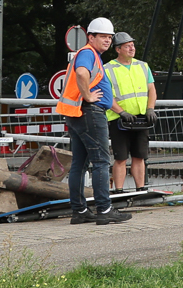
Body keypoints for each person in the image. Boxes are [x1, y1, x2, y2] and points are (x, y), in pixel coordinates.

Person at [54, 17, 132, 225]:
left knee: (79, 164)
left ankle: (79, 211)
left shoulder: (93, 56)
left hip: (78, 114)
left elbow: (99, 88)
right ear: (91, 37)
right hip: (89, 113)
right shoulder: (88, 53)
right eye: (103, 36)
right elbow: (81, 74)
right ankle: (104, 210)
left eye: (109, 37)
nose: (107, 40)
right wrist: (88, 96)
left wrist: (119, 111)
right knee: (100, 162)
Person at [105, 32, 156, 192]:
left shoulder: (142, 66)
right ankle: (119, 191)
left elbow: (151, 89)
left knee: (139, 156)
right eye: (128, 46)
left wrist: (150, 109)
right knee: (120, 157)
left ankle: (140, 189)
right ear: (118, 49)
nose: (132, 48)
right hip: (119, 120)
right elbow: (107, 96)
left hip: (141, 119)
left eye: (132, 45)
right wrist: (121, 112)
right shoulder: (108, 69)